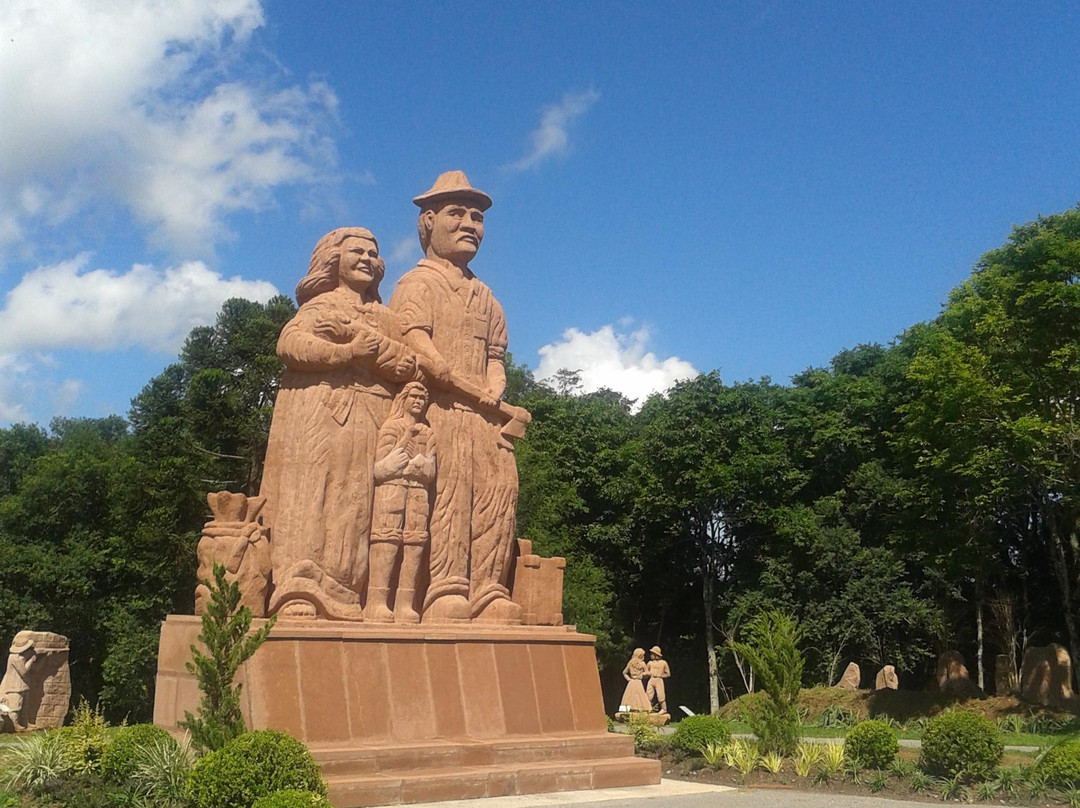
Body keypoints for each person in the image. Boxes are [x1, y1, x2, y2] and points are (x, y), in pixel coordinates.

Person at [260, 227, 417, 620]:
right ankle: (299, 589)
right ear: (334, 260)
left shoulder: (387, 318)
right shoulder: (321, 306)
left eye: (373, 253)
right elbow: (290, 345)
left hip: (373, 421)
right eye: (357, 251)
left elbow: (408, 365)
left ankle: (350, 593)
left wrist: (361, 340)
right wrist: (348, 352)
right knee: (314, 497)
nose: (367, 258)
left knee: (357, 506)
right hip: (323, 416)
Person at [389, 171, 523, 623]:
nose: (470, 223)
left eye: (477, 216)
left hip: (486, 417)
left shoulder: (486, 295)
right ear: (428, 222)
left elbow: (496, 356)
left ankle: (488, 589)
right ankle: (446, 589)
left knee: (498, 493)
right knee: (450, 491)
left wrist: (494, 390)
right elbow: (416, 344)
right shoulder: (417, 283)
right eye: (457, 213)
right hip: (439, 410)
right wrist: (461, 384)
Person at [367, 381, 437, 624]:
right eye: (413, 396)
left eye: (422, 398)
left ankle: (405, 603)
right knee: (386, 539)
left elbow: (431, 468)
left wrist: (422, 466)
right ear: (403, 399)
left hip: (418, 490)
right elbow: (380, 467)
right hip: (392, 488)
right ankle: (376, 602)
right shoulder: (391, 427)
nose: (418, 401)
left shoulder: (428, 432)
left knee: (415, 543)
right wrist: (402, 448)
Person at [0, 635, 35, 731]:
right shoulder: (15, 658)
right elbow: (23, 672)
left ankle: (25, 723)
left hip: (23, 685)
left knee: (25, 706)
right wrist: (31, 660)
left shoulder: (21, 657)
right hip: (14, 686)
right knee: (16, 706)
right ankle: (14, 725)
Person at [618, 648, 651, 713]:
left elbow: (624, 672)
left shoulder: (631, 662)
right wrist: (642, 674)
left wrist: (629, 679)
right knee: (638, 696)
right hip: (637, 682)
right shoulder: (642, 663)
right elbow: (648, 673)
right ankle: (639, 709)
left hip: (632, 682)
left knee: (631, 696)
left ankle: (632, 709)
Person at [645, 646, 670, 714]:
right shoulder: (650, 663)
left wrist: (661, 675)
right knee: (648, 694)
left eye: (652, 654)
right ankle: (648, 708)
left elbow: (668, 674)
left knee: (660, 695)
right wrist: (645, 674)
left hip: (659, 680)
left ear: (656, 655)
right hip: (651, 679)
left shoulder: (663, 663)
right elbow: (646, 672)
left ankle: (664, 709)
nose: (651, 655)